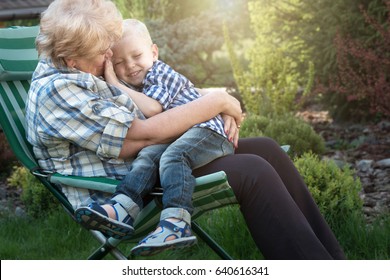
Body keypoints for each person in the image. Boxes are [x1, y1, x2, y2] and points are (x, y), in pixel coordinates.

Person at [26, 0, 346, 259]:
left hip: (154, 161)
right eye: (102, 52)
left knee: (266, 148)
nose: (110, 56)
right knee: (252, 170)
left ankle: (332, 260)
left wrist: (215, 101)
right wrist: (216, 102)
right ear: (70, 59)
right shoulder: (58, 91)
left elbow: (163, 99)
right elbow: (143, 134)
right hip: (121, 191)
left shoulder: (84, 70)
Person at [74, 18, 235, 256]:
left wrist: (113, 82)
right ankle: (123, 207)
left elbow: (153, 109)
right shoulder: (136, 86)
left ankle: (176, 223)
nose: (130, 66)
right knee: (148, 155)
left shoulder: (159, 72)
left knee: (173, 157)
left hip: (208, 131)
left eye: (137, 55)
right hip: (181, 135)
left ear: (154, 52)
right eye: (119, 62)